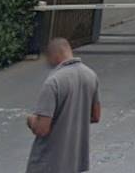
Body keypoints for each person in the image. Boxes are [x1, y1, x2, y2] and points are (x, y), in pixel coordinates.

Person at [25, 37, 101, 173]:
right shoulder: (91, 75)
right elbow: (96, 116)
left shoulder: (53, 82)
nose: (48, 62)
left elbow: (42, 129)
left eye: (48, 57)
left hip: (49, 163)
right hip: (74, 162)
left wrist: (30, 120)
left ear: (55, 55)